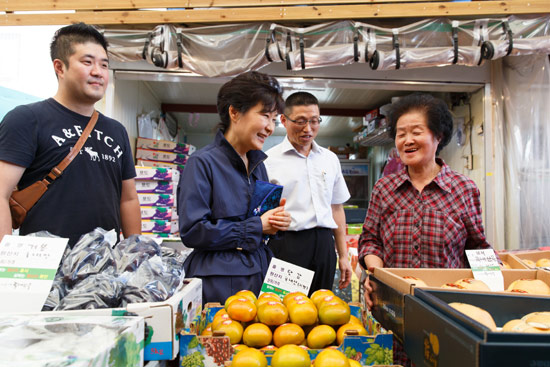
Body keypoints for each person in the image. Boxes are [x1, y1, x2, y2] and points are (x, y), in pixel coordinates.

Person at [358, 93, 495, 366]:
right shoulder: (385, 189)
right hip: (395, 310)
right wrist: (373, 274)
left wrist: (496, 290)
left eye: (416, 132)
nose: (407, 140)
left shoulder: (463, 189)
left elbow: (478, 247)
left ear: (438, 136)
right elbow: (370, 240)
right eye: (400, 134)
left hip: (447, 313)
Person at [0, 23, 141, 246]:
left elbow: (128, 199)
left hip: (104, 268)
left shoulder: (116, 131)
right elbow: (1, 194)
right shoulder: (27, 119)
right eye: (87, 62)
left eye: (104, 65)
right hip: (45, 267)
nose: (98, 71)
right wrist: (6, 263)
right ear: (60, 67)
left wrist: (136, 255)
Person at [177, 71, 291, 304]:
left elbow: (259, 227)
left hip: (259, 275)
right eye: (265, 116)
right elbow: (193, 230)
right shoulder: (202, 163)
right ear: (234, 112)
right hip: (219, 284)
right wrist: (257, 226)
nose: (270, 127)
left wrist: (274, 224)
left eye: (274, 119)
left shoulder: (258, 164)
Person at [264, 92, 352, 295]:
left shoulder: (330, 159)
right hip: (286, 245)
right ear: (284, 121)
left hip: (324, 245)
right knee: (282, 313)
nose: (308, 129)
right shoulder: (268, 161)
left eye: (314, 121)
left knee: (321, 310)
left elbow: (336, 208)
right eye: (301, 121)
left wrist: (343, 256)